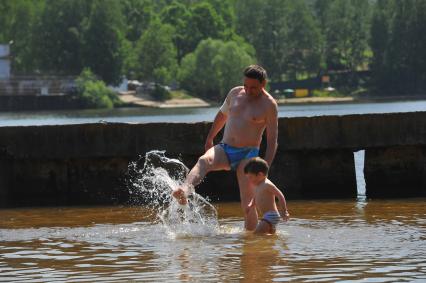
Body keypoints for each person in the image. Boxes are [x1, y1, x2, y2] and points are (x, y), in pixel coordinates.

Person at [172, 65, 278, 231]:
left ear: (263, 84)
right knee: (203, 161)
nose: (249, 91)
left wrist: (265, 170)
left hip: (248, 155)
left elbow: (272, 142)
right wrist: (210, 137)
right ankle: (184, 191)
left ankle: (250, 243)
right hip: (225, 148)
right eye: (246, 86)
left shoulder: (269, 105)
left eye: (254, 88)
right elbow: (222, 115)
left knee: (247, 204)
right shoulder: (235, 93)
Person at [244, 157, 289, 235]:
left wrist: (284, 211)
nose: (249, 180)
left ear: (260, 174)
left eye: (250, 177)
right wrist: (251, 205)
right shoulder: (257, 185)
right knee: (269, 236)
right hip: (267, 216)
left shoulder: (267, 184)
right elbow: (255, 197)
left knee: (257, 234)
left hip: (271, 215)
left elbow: (280, 195)